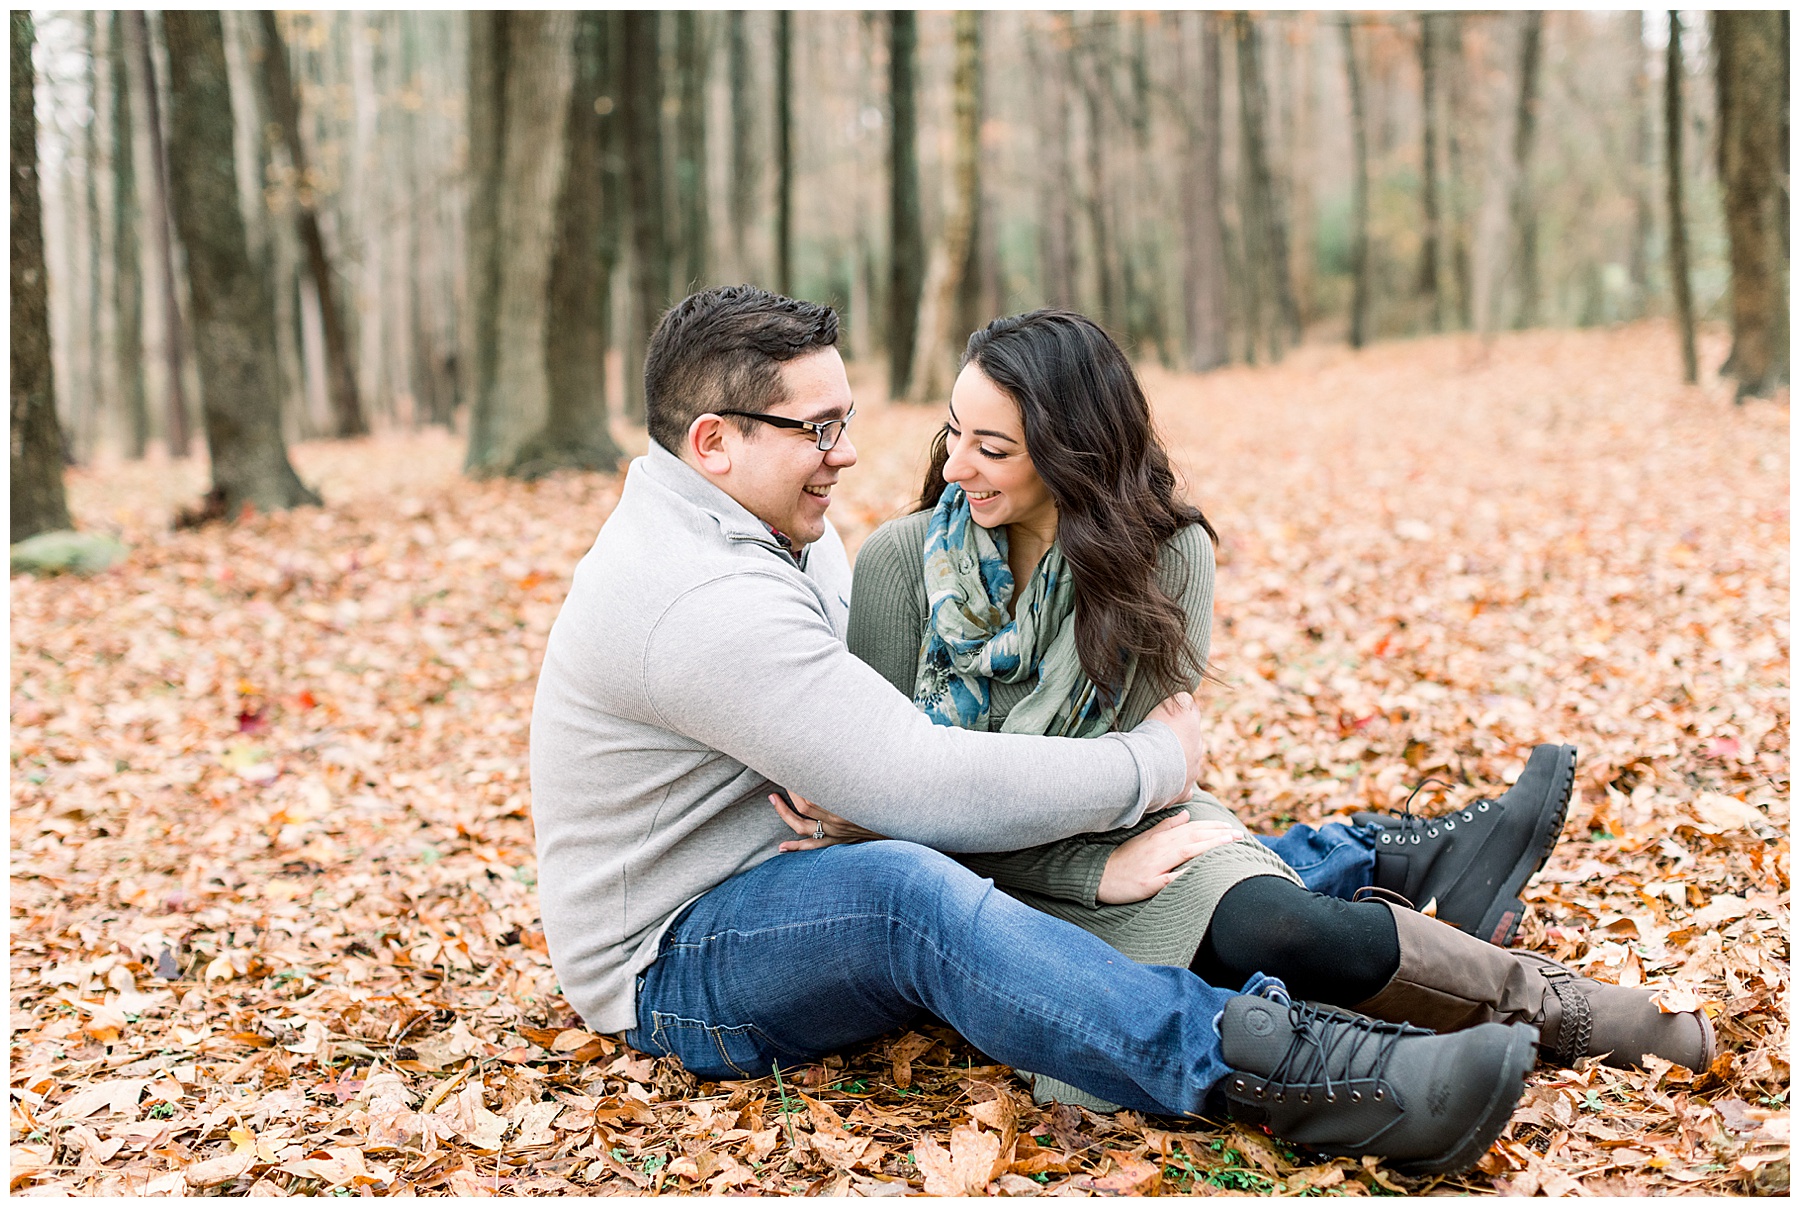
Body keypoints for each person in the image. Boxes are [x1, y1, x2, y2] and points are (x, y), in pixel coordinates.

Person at [530, 285, 1540, 1177]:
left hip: (800, 864)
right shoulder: (693, 595)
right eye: (818, 428)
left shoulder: (764, 519)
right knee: (907, 896)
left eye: (846, 417)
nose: (847, 452)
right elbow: (914, 782)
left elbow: (876, 746)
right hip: (674, 956)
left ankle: (1387, 860)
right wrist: (1144, 765)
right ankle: (1299, 1071)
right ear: (714, 441)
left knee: (1139, 863)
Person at [816, 309, 1713, 1110]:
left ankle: (1567, 1009)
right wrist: (1093, 880)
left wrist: (1118, 860)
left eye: (992, 447)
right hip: (986, 890)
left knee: (1278, 926)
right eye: (952, 433)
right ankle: (1409, 1062)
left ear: (1070, 449)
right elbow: (899, 810)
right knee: (1230, 987)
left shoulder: (1160, 560)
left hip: (1136, 831)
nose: (957, 465)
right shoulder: (901, 563)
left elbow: (1128, 785)